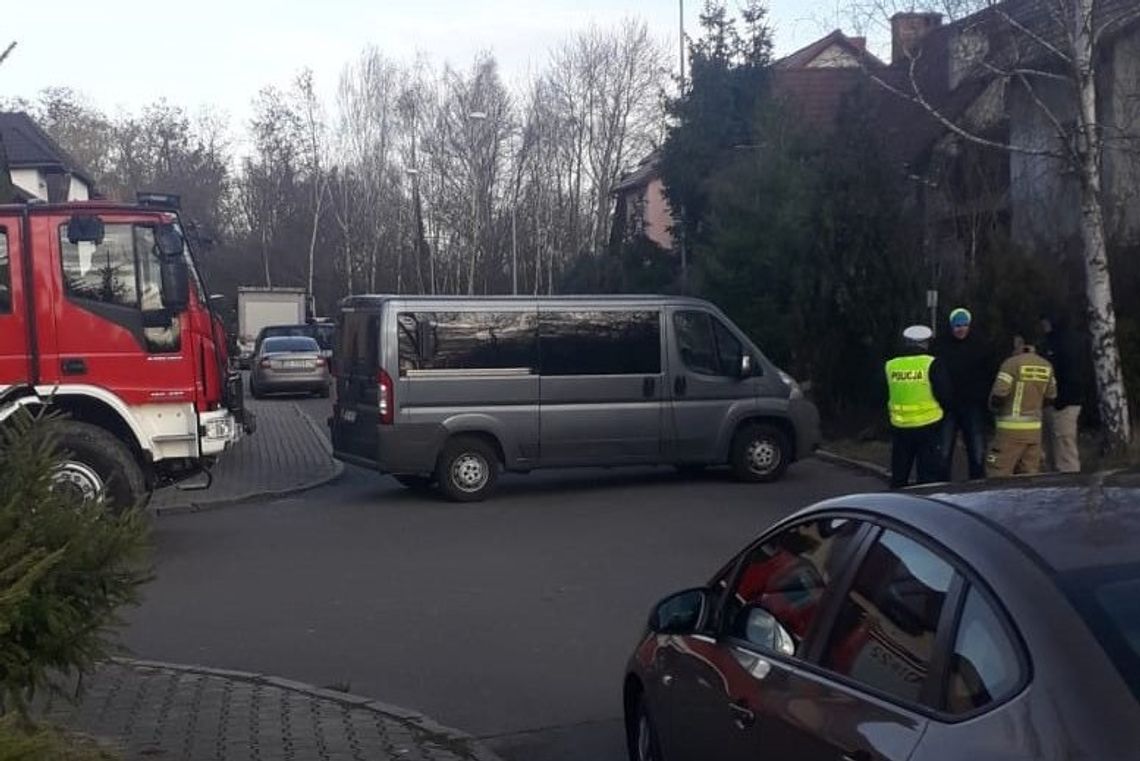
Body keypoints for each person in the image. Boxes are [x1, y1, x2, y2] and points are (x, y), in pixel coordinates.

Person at [885, 325, 952, 489]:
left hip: (900, 427)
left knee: (899, 475)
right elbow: (945, 394)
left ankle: (894, 509)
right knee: (927, 477)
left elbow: (879, 393)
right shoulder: (931, 363)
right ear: (926, 343)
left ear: (906, 342)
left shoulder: (890, 365)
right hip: (928, 426)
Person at [987, 330, 1057, 477]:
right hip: (1034, 432)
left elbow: (999, 394)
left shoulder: (1011, 364)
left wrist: (993, 409)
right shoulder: (1046, 366)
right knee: (1029, 476)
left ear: (1019, 343)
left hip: (1009, 432)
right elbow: (1051, 397)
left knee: (998, 472)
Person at [934, 307, 989, 480]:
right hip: (948, 407)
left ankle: (978, 485)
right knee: (943, 452)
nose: (961, 329)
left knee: (977, 451)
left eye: (964, 325)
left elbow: (986, 374)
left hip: (972, 405)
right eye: (957, 325)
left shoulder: (979, 345)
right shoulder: (941, 346)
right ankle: (942, 487)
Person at [1040, 313, 1085, 472]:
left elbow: (1073, 375)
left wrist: (1060, 401)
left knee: (1065, 451)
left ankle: (1071, 486)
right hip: (1052, 403)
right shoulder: (1049, 342)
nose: (1042, 324)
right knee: (1053, 452)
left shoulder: (1067, 343)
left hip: (1065, 403)